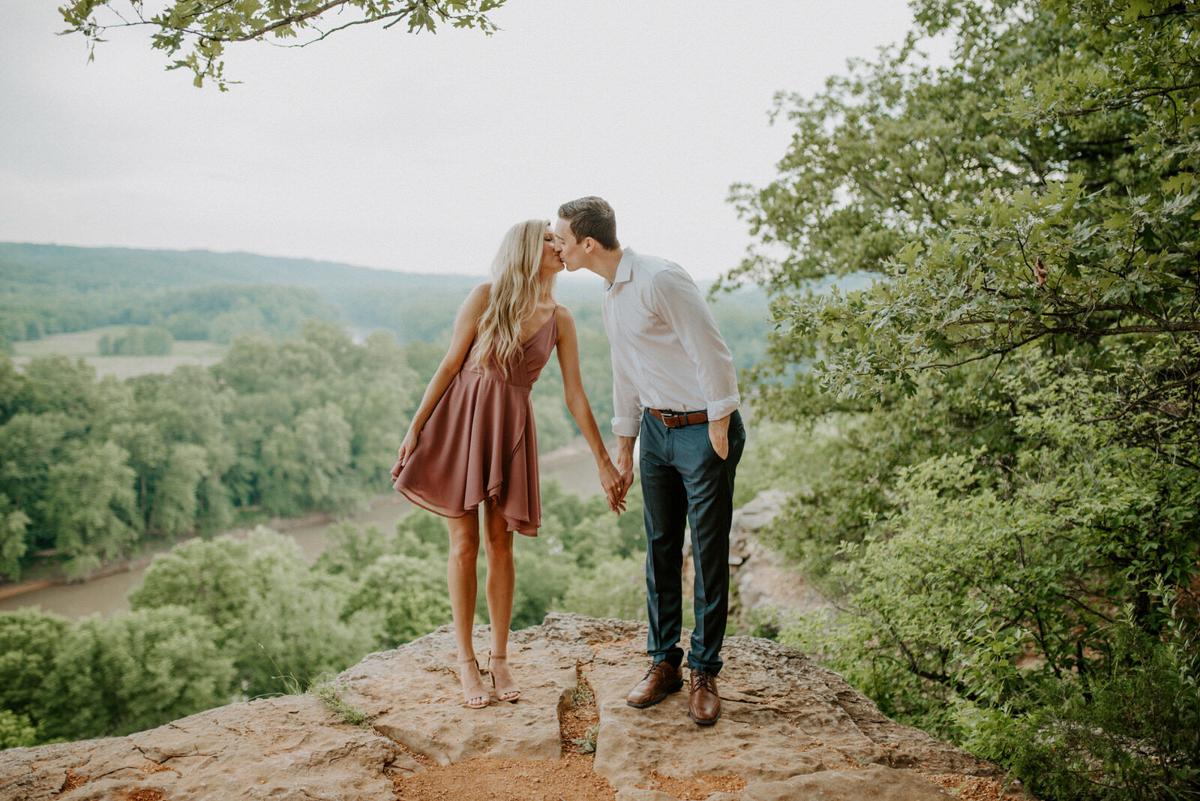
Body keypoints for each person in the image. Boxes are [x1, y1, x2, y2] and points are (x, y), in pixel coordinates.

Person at [390, 219, 624, 709]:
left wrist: (604, 462)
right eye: (550, 240)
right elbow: (450, 364)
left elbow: (575, 396)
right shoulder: (485, 296)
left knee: (501, 545)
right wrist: (415, 427)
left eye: (560, 241)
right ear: (525, 248)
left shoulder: (561, 318)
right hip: (460, 425)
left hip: (511, 432)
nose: (559, 247)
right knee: (463, 544)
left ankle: (499, 659)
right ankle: (465, 661)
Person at [554, 197, 745, 726]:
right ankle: (664, 663)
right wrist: (626, 443)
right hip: (657, 434)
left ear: (587, 244)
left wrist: (720, 421)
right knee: (660, 545)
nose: (556, 246)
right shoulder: (611, 294)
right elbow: (625, 369)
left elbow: (712, 350)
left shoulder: (661, 278)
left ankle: (705, 670)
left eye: (561, 238)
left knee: (707, 552)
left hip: (703, 430)